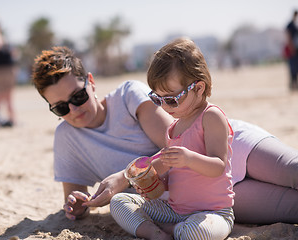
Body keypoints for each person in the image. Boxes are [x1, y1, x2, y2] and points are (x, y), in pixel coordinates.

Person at [31, 46, 298, 225]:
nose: (75, 109)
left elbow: (178, 142)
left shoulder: (128, 96)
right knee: (291, 208)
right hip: (203, 195)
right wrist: (78, 205)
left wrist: (124, 178)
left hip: (232, 144)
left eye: (78, 96)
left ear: (90, 81)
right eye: (61, 107)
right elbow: (77, 199)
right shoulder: (66, 138)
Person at [110, 37, 234, 240]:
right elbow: (174, 176)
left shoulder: (211, 117)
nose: (165, 107)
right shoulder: (175, 126)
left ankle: (173, 231)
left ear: (198, 88)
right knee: (119, 202)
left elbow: (219, 166)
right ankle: (157, 233)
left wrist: (189, 159)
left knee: (196, 232)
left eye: (171, 99)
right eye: (156, 99)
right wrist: (154, 180)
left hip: (212, 213)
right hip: (175, 211)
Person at [285, 10, 298, 90]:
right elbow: (288, 37)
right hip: (293, 49)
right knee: (293, 68)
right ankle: (292, 85)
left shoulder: (295, 25)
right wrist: (291, 48)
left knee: (295, 68)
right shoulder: (290, 25)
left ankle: (295, 85)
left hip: (296, 49)